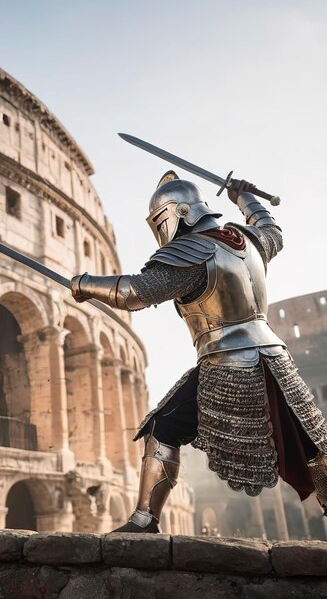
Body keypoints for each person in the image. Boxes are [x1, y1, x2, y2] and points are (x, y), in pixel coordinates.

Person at [70, 172, 327, 533]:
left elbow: (135, 292)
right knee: (309, 442)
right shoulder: (248, 240)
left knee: (164, 425)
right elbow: (273, 230)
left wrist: (85, 284)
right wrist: (246, 199)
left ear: (181, 213)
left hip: (229, 361)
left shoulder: (193, 251)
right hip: (274, 355)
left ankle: (144, 521)